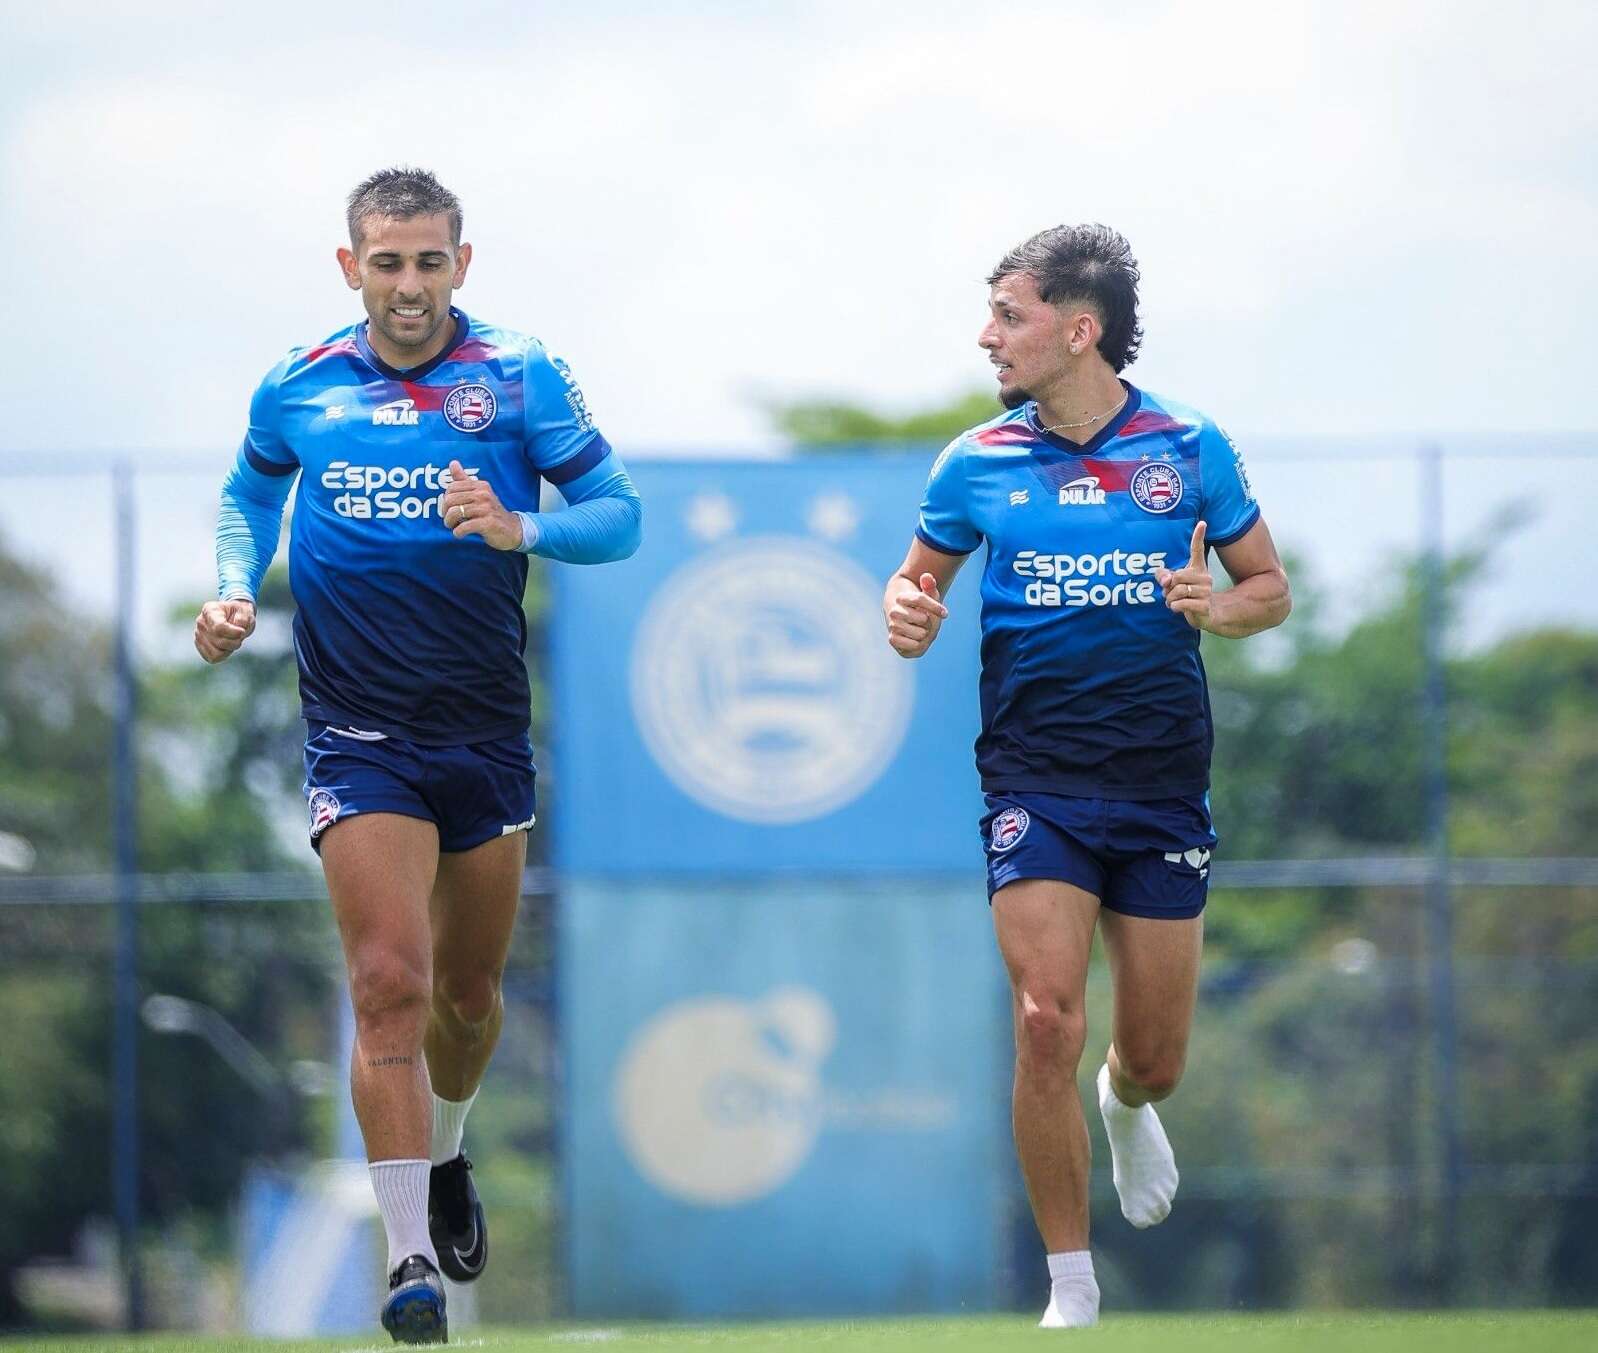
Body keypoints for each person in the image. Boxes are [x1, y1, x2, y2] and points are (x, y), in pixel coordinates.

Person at [193, 167, 642, 1345]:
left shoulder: (517, 374)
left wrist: (520, 525)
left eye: (428, 262)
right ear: (351, 268)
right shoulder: (300, 384)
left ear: (461, 263)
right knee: (387, 983)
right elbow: (248, 494)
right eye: (385, 263)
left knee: (468, 997)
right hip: (357, 733)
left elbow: (620, 513)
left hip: (484, 732)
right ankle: (407, 1265)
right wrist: (236, 587)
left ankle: (446, 1158)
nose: (407, 285)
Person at [882, 225, 1289, 1328]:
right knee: (1043, 1019)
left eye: (1006, 316)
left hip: (1160, 786)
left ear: (1078, 328)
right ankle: (1070, 1285)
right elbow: (911, 587)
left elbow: (1268, 590)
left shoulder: (1189, 444)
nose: (987, 336)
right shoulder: (973, 461)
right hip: (1032, 783)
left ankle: (1123, 1105)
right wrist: (903, 611)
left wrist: (1220, 606)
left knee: (1149, 1058)